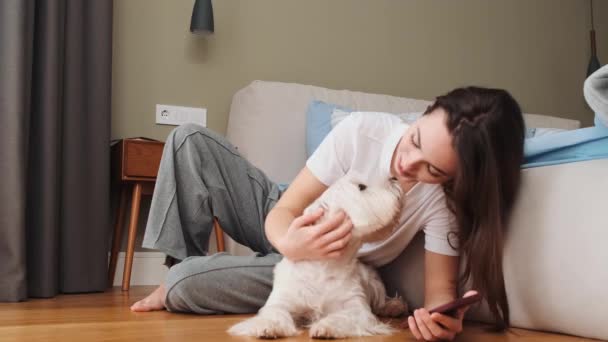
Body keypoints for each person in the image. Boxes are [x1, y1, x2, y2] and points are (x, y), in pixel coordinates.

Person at [130, 86, 525, 341]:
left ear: (456, 178)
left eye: (432, 169)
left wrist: (443, 323)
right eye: (416, 139)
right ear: (425, 111)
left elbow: (441, 294)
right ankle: (177, 270)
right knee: (189, 139)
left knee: (187, 284)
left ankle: (184, 283)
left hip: (335, 267)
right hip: (288, 216)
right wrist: (290, 240)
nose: (408, 164)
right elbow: (284, 209)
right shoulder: (361, 132)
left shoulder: (442, 204)